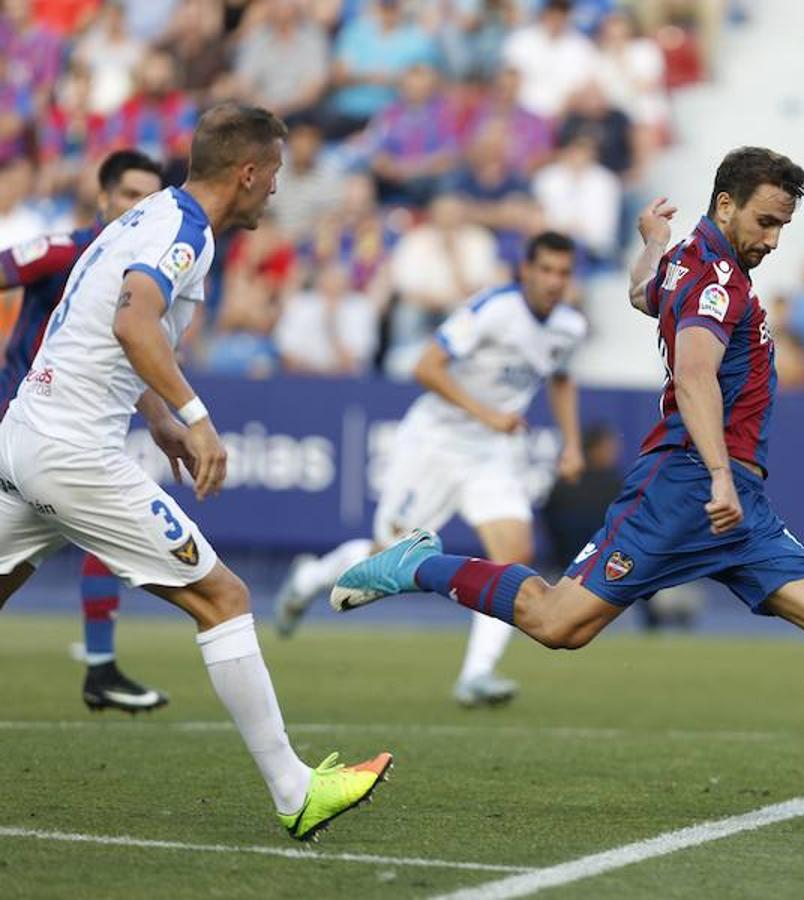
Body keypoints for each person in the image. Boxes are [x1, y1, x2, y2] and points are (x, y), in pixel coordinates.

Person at [330, 147, 804, 821]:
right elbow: (695, 374)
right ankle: (415, 562)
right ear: (726, 204)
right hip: (684, 489)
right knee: (557, 624)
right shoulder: (712, 279)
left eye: (784, 227)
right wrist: (715, 475)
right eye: (765, 221)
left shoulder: (689, 261)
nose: (773, 240)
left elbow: (647, 292)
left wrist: (649, 239)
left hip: (740, 503)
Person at [0, 104, 392, 841]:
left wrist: (158, 419)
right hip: (72, 451)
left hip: (22, 434)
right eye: (272, 174)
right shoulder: (182, 234)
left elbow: (89, 325)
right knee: (224, 597)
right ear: (246, 173)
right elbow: (131, 323)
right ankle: (294, 790)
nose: (275, 190)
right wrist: (198, 415)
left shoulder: (147, 216)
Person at [274, 231, 587, 709]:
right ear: (525, 269)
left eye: (562, 273)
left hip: (491, 453)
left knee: (513, 556)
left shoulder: (568, 327)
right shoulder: (492, 309)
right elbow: (426, 367)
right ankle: (309, 579)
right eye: (544, 270)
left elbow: (562, 379)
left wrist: (572, 443)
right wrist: (485, 413)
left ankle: (477, 674)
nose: (552, 281)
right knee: (389, 554)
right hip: (435, 442)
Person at [0, 149, 169, 713]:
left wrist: (163, 418)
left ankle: (101, 668)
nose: (138, 208)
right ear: (103, 199)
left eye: (151, 198)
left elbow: (131, 355)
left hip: (74, 433)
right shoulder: (64, 251)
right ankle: (101, 668)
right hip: (19, 423)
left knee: (94, 534)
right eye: (128, 196)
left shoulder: (146, 274)